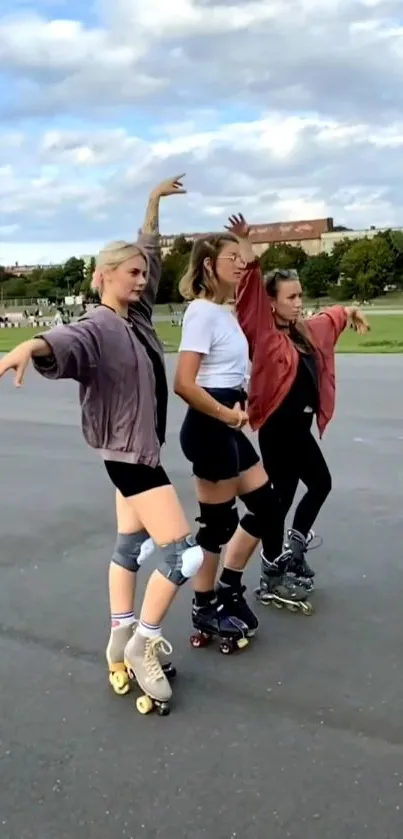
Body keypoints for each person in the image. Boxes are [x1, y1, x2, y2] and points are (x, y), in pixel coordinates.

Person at [0, 175, 206, 715]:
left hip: (133, 452)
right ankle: (143, 643)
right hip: (131, 459)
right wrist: (30, 344)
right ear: (103, 277)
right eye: (131, 273)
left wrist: (153, 204)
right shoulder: (98, 324)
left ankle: (118, 634)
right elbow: (65, 341)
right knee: (185, 555)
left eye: (143, 273)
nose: (142, 280)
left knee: (130, 549)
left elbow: (153, 254)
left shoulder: (134, 316)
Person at [222, 214, 369, 611]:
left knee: (320, 483)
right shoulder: (264, 334)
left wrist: (350, 311)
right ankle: (271, 573)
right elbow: (250, 294)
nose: (299, 303)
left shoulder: (303, 330)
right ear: (271, 301)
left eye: (301, 296)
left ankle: (293, 548)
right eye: (291, 297)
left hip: (299, 430)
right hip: (278, 430)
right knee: (280, 500)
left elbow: (328, 319)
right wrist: (247, 246)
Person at [173, 223, 304, 650]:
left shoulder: (223, 312)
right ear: (209, 266)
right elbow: (184, 384)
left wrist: (237, 409)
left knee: (267, 507)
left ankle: (229, 587)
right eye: (232, 259)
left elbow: (249, 280)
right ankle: (203, 604)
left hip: (226, 422)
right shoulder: (199, 313)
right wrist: (227, 413)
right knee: (217, 526)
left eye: (241, 259)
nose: (241, 264)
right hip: (209, 426)